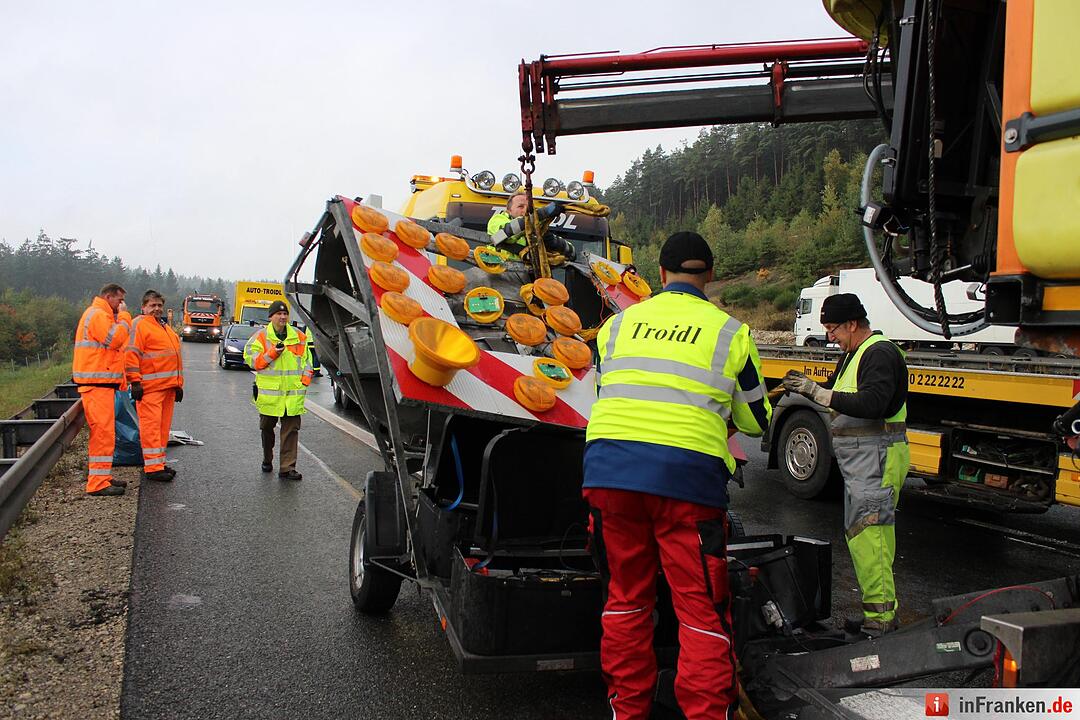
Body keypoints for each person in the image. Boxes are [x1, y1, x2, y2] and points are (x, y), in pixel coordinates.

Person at [583, 231, 773, 720]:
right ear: (708, 276)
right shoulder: (731, 332)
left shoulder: (616, 326)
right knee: (700, 611)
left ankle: (627, 712)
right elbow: (756, 420)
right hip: (687, 484)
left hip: (611, 473)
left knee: (626, 600)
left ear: (660, 275)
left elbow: (607, 392)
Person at [782, 293, 909, 637]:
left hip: (877, 458)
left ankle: (881, 622)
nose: (830, 336)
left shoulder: (879, 353)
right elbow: (845, 399)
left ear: (853, 324)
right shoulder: (854, 354)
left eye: (833, 328)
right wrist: (811, 391)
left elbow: (874, 402)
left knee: (873, 539)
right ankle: (875, 615)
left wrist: (818, 393)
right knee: (861, 538)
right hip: (862, 461)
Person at [73, 283, 133, 497]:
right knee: (102, 434)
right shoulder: (98, 315)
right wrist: (125, 318)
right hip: (96, 385)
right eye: (119, 300)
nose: (122, 305)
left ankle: (102, 476)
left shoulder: (101, 315)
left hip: (101, 385)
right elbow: (115, 340)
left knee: (105, 434)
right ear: (109, 297)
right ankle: (97, 483)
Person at [244, 301, 313, 480]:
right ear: (271, 317)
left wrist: (304, 382)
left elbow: (308, 361)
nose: (282, 317)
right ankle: (267, 458)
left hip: (292, 394)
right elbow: (252, 361)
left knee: (291, 431)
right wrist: (272, 353)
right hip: (270, 396)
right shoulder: (260, 337)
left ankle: (287, 468)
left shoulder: (299, 336)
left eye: (285, 314)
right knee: (267, 428)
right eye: (278, 314)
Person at [125, 290, 184, 482]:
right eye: (152, 305)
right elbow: (131, 354)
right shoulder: (139, 325)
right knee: (151, 428)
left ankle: (158, 463)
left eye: (159, 305)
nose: (156, 309)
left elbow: (174, 359)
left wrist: (178, 385)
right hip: (149, 388)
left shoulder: (164, 328)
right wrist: (134, 381)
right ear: (143, 307)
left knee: (162, 429)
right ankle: (152, 468)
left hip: (167, 387)